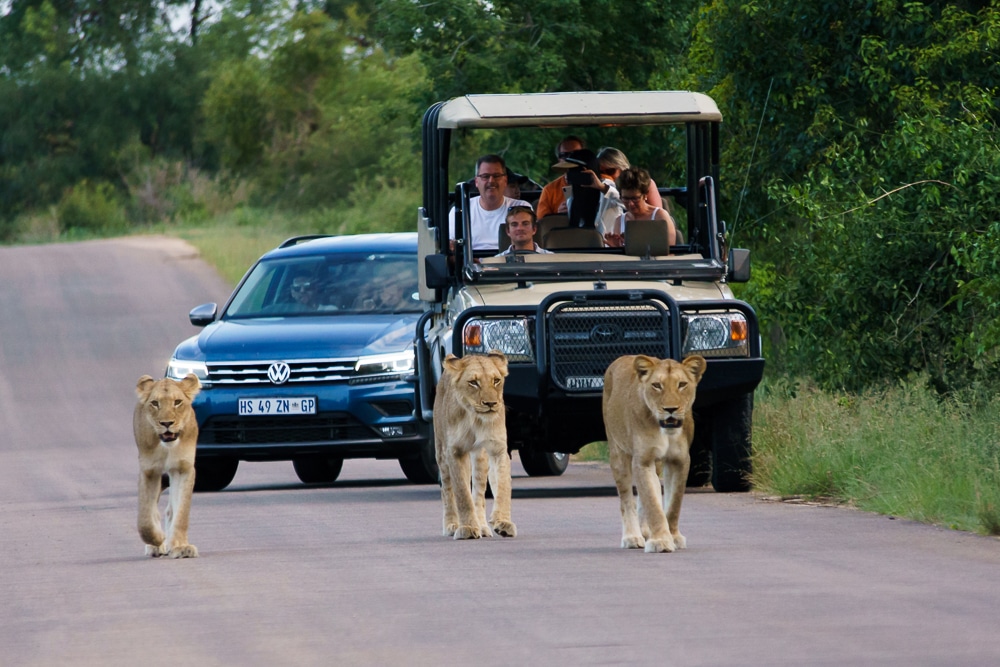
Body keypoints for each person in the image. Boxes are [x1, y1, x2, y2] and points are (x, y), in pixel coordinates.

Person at [537, 139, 663, 220]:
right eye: (600, 172)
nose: (604, 176)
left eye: (609, 171)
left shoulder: (609, 188)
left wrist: (603, 188)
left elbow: (649, 213)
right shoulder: (579, 187)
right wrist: (561, 215)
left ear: (623, 169)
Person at [448, 155, 531, 251]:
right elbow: (451, 253)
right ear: (476, 182)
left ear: (505, 180)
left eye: (496, 176)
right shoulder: (460, 212)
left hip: (510, 265)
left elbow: (528, 250)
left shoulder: (522, 208)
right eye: (485, 176)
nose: (491, 181)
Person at [604, 167, 676, 248]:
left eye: (635, 198)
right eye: (626, 198)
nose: (630, 204)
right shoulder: (619, 221)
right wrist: (615, 247)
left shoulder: (660, 216)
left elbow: (670, 253)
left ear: (645, 195)